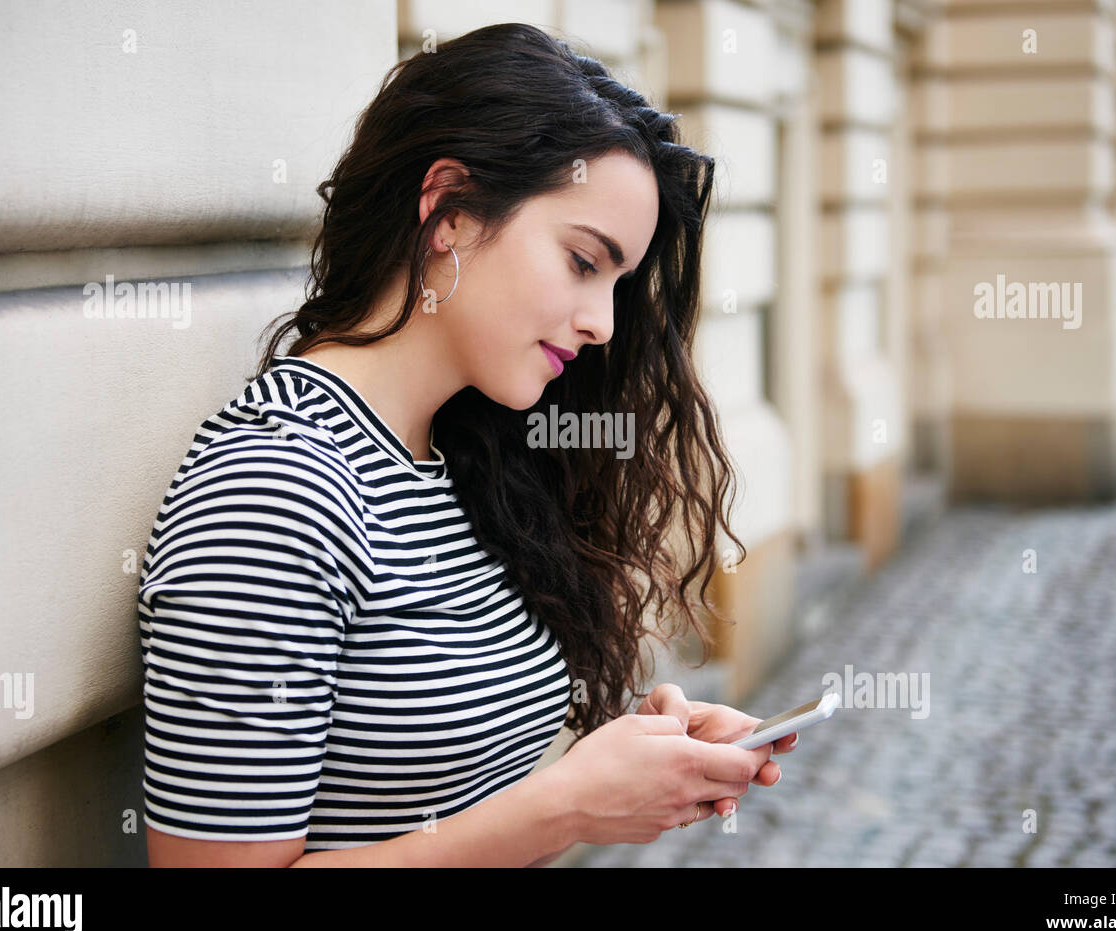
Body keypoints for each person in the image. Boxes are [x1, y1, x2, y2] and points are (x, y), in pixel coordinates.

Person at [140, 21, 796, 868]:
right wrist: (565, 806)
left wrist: (633, 755)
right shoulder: (276, 488)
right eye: (581, 261)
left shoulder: (462, 458)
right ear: (448, 209)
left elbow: (447, 799)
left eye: (618, 285)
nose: (603, 324)